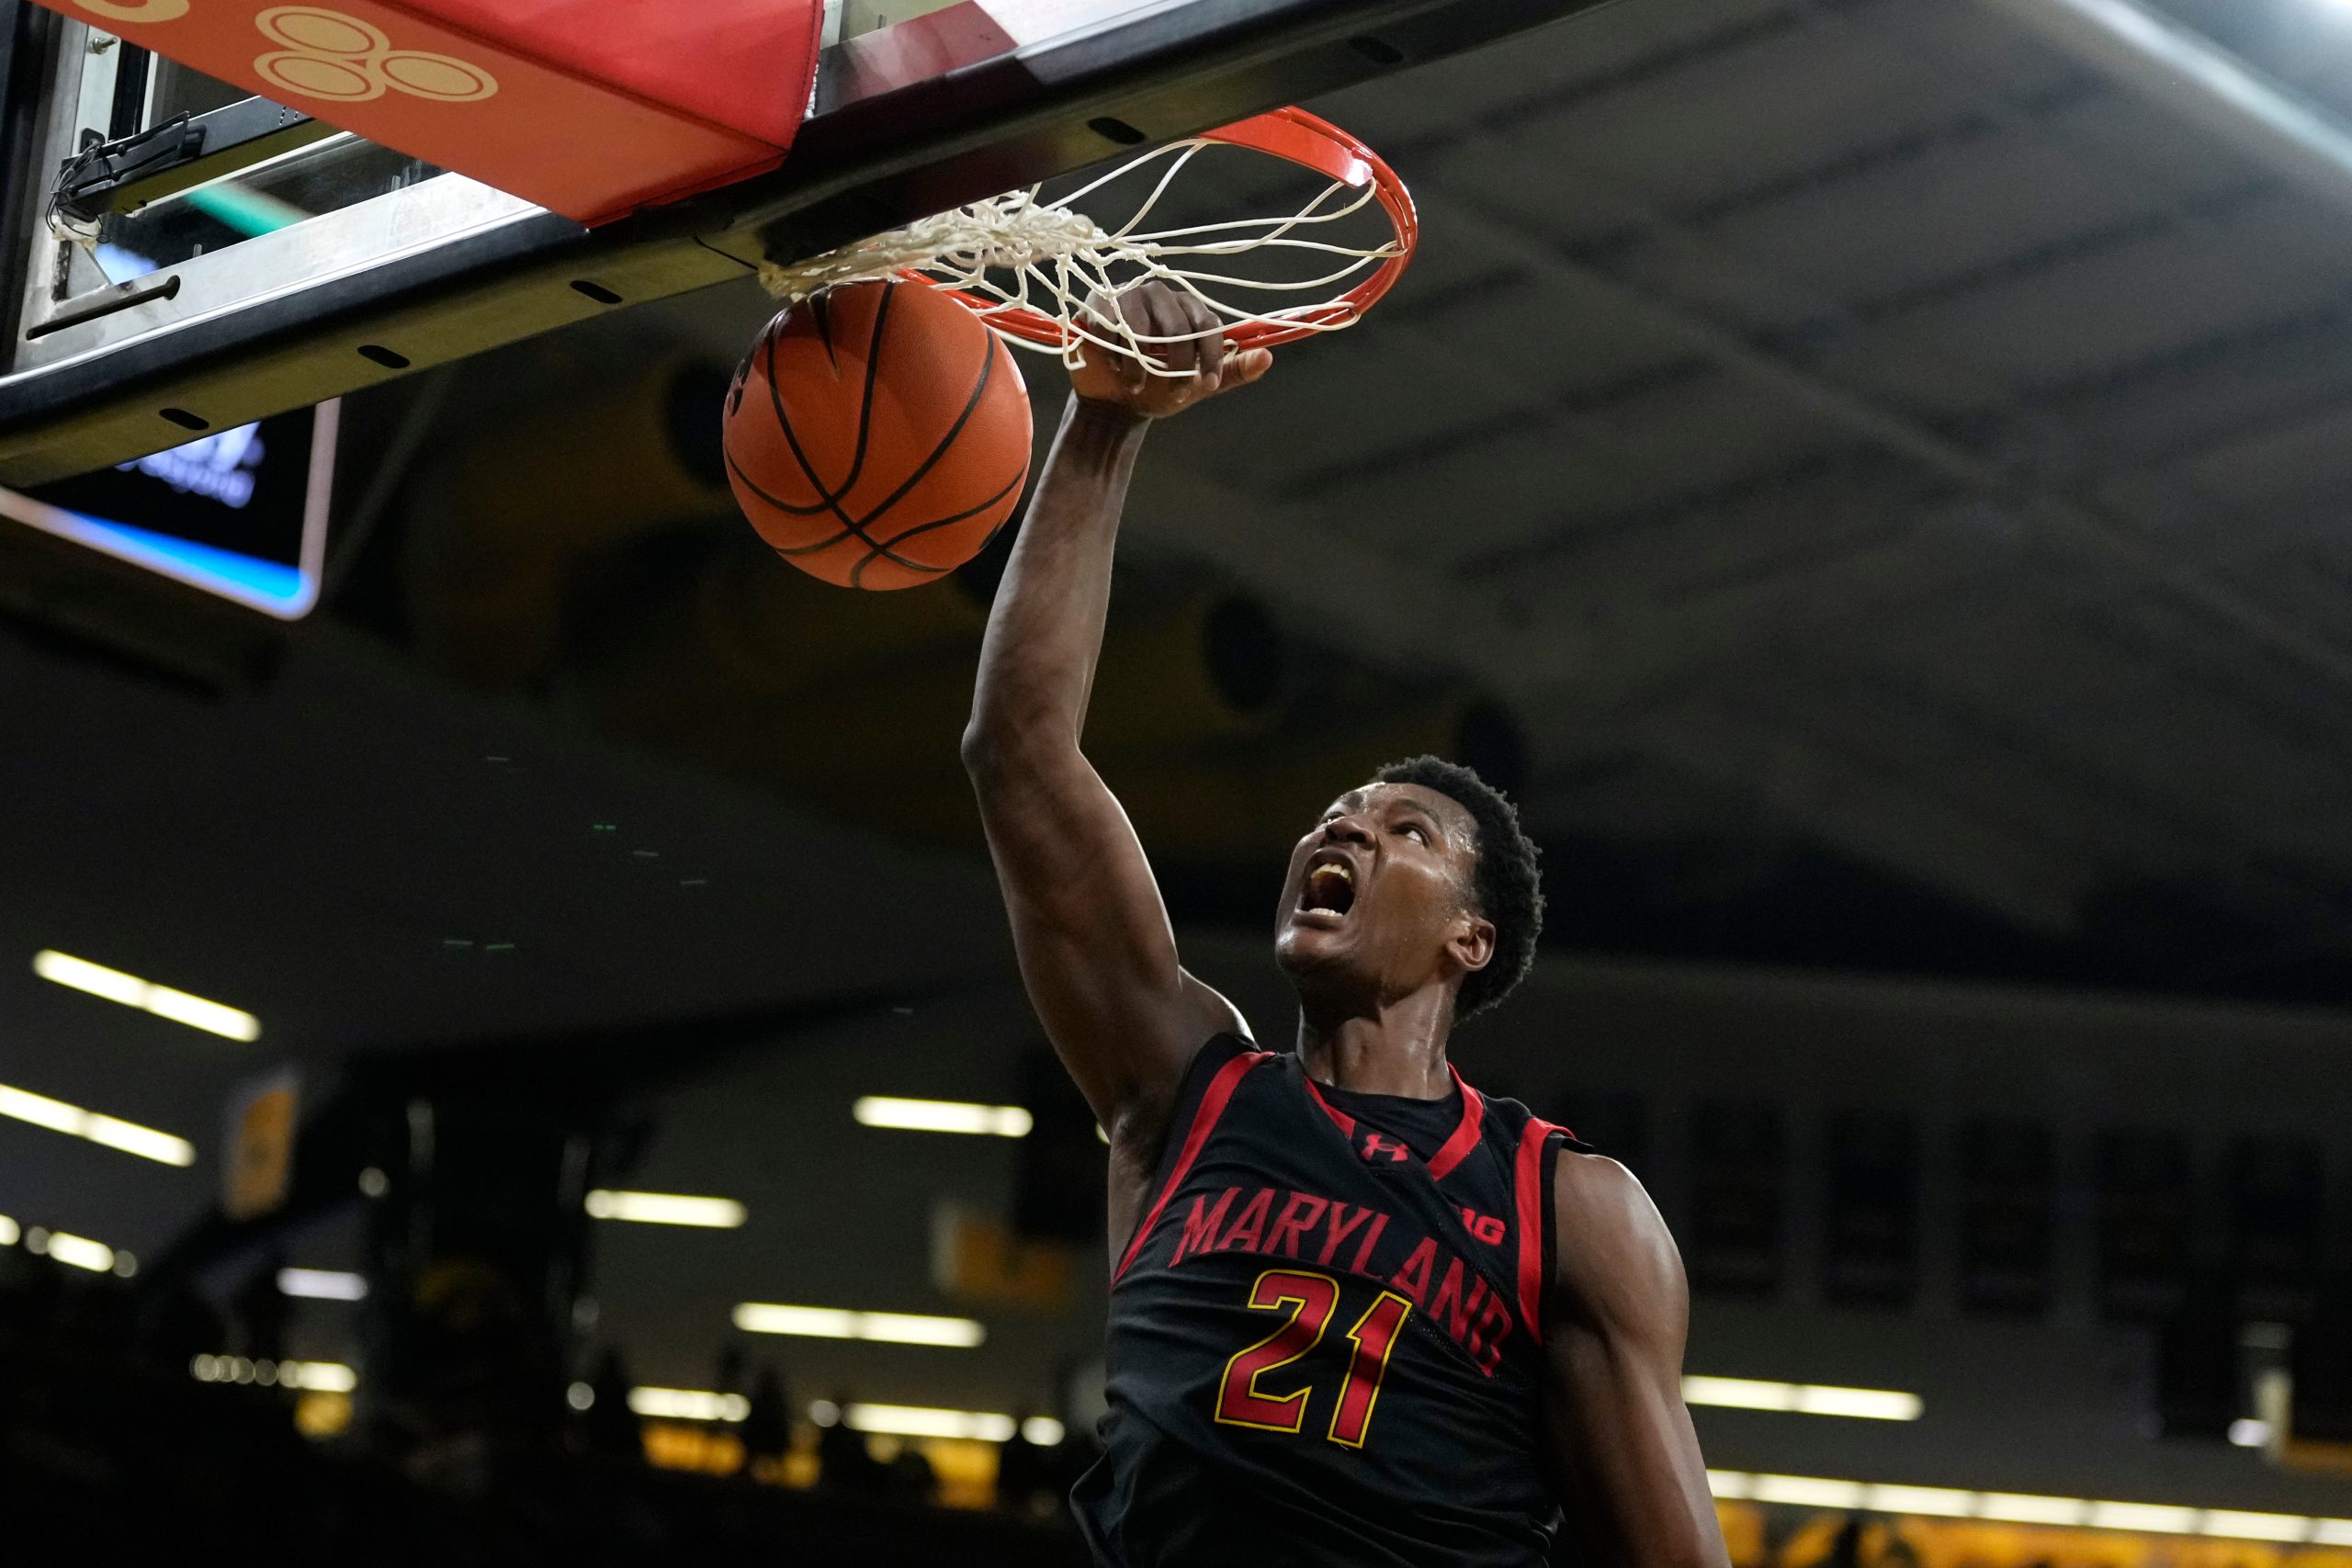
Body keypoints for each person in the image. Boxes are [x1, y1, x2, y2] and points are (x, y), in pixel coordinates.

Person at [961, 280, 1728, 1568]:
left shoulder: (1568, 1210)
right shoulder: (1182, 1090)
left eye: (1405, 830)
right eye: (1335, 817)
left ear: (1470, 940)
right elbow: (1018, 754)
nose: (1348, 832)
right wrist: (1105, 423)